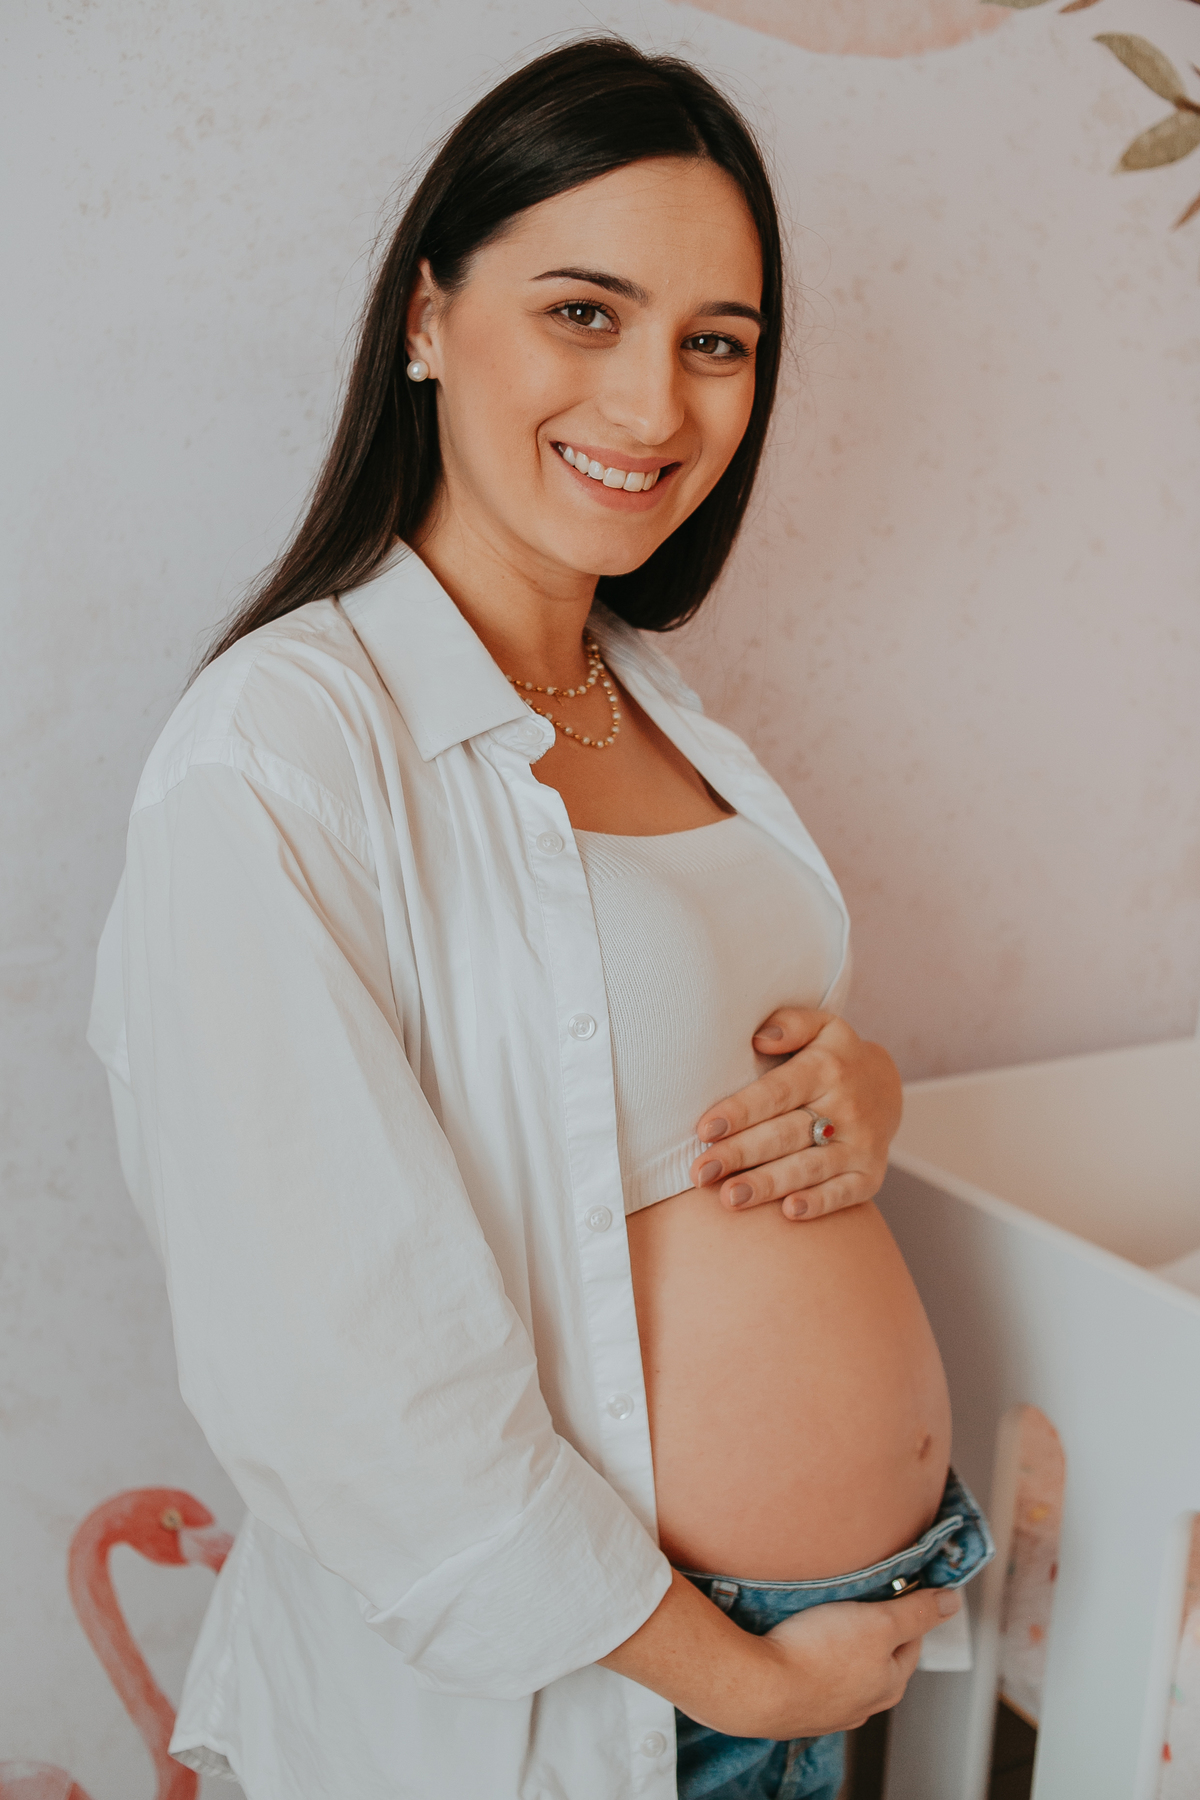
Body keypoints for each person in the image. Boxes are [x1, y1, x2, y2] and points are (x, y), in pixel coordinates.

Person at [87, 36, 991, 1800]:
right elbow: (335, 1369)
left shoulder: (661, 700)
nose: (657, 406)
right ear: (426, 319)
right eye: (587, 311)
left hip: (815, 1642)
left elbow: (667, 1087)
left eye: (715, 343)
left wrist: (862, 1099)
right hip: (615, 1691)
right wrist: (735, 1673)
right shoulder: (280, 749)